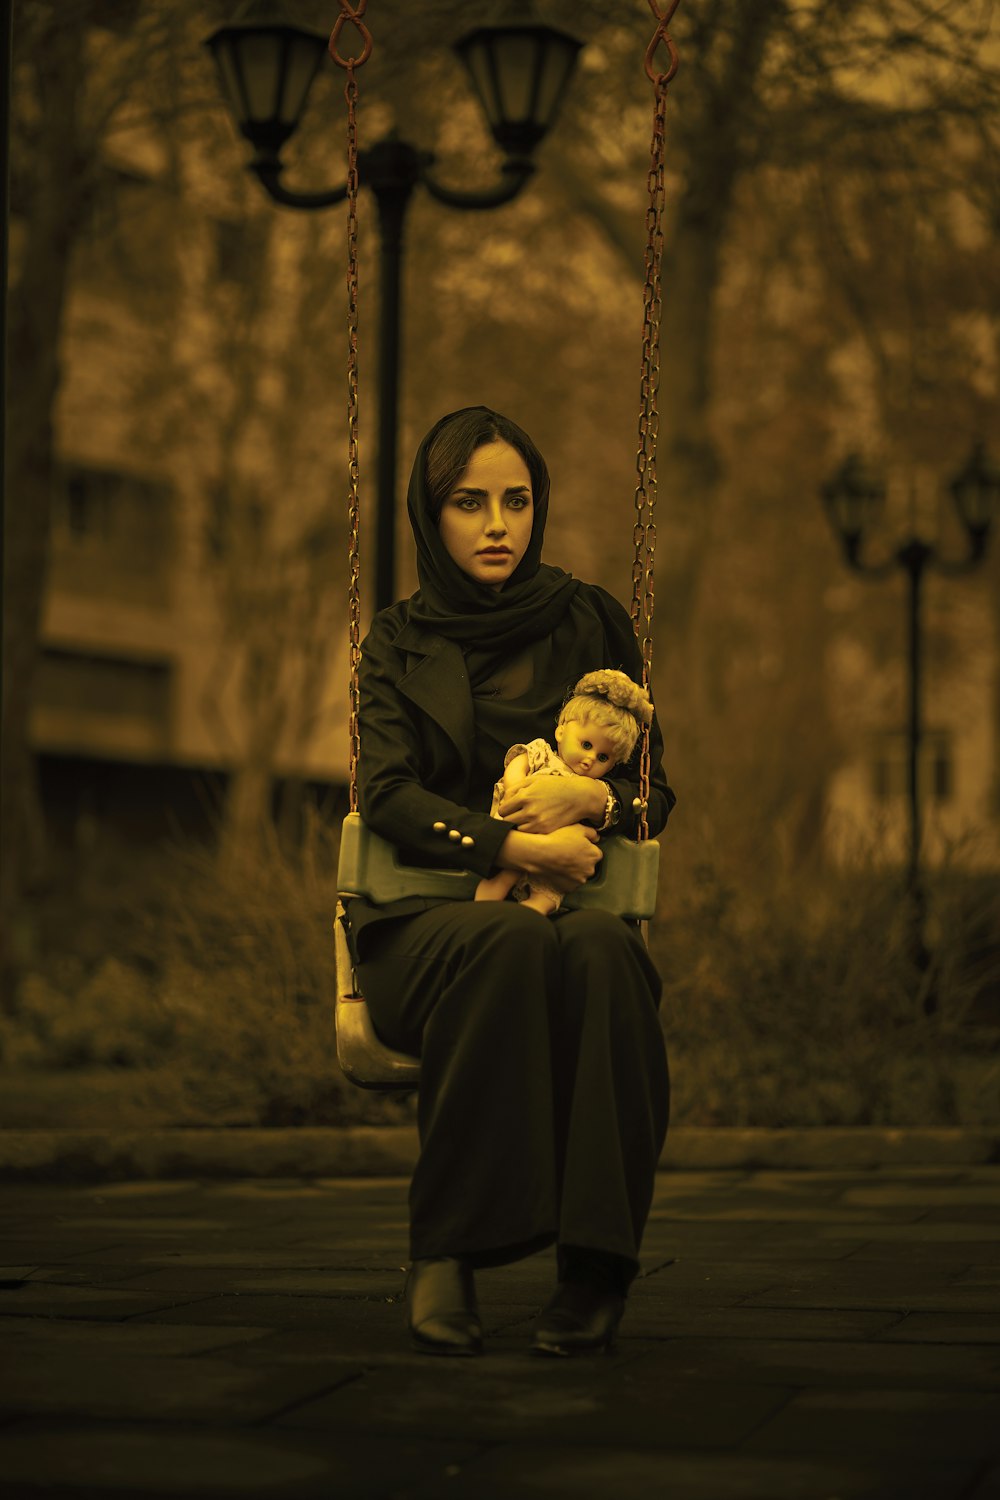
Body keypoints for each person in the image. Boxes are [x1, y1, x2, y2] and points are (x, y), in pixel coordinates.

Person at [344, 406, 675, 1357]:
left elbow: (659, 794)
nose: (498, 524)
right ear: (430, 514)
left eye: (517, 500)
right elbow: (389, 793)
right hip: (421, 924)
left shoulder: (594, 620)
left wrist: (596, 806)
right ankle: (447, 1251)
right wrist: (509, 847)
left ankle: (596, 1265)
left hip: (568, 913)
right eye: (469, 502)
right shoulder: (398, 642)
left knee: (609, 952)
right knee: (512, 936)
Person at [475, 669, 654, 915]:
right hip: (520, 823)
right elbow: (518, 765)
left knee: (552, 887)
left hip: (558, 852)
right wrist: (517, 788)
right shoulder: (543, 753)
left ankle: (536, 908)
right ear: (561, 731)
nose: (590, 759)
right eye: (586, 745)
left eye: (603, 757)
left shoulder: (588, 785)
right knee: (509, 869)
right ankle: (490, 898)